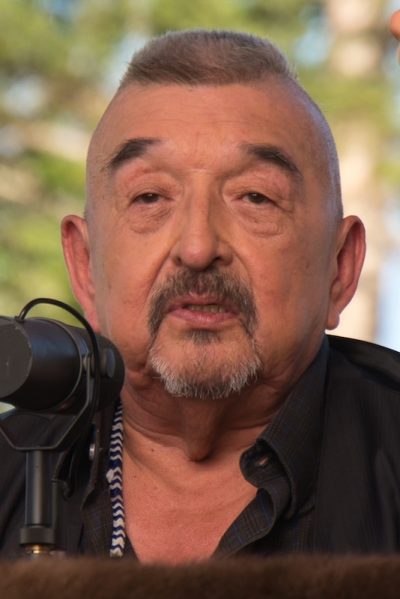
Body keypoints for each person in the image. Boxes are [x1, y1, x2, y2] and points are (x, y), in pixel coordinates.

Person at [1, 26, 400, 562]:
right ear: (85, 266)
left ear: (341, 266)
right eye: (150, 197)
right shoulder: (14, 470)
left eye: (255, 197)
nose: (197, 247)